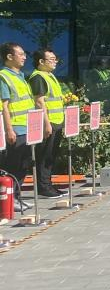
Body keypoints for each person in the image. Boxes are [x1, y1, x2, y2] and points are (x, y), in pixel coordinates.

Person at [0, 42, 34, 213]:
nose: (24, 57)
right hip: (16, 129)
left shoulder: (20, 76)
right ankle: (9, 199)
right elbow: (4, 106)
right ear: (9, 57)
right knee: (13, 166)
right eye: (20, 54)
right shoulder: (3, 76)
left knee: (24, 165)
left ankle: (17, 197)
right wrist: (9, 130)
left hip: (27, 128)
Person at [29, 49, 65, 200]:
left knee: (51, 156)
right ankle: (43, 187)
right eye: (51, 59)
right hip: (48, 123)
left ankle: (48, 185)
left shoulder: (49, 76)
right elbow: (39, 102)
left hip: (56, 121)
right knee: (44, 156)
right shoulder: (38, 77)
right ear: (41, 61)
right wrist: (46, 124)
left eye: (55, 59)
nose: (54, 62)